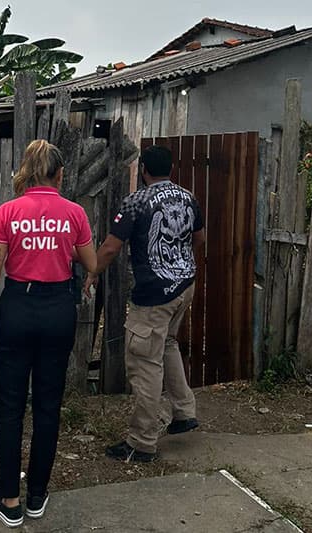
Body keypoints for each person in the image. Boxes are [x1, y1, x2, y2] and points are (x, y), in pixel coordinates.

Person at [0, 140, 96, 528]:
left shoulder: (9, 212)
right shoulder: (74, 212)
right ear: (58, 174)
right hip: (58, 311)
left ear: (27, 171)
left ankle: (9, 499)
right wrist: (60, 247)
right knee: (48, 404)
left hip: (17, 309)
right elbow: (90, 261)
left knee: (9, 406)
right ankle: (37, 494)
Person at [85, 144, 206, 462]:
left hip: (154, 296)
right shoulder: (188, 197)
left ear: (144, 171)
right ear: (170, 169)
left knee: (144, 364)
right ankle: (183, 412)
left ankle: (141, 442)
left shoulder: (137, 201)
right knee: (166, 344)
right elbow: (200, 237)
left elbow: (111, 247)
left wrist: (92, 273)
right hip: (184, 287)